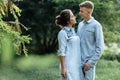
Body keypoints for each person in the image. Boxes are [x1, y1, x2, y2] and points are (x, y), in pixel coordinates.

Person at [77, 1, 104, 80]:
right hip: (78, 63)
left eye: (82, 11)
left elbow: (100, 47)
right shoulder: (80, 25)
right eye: (80, 11)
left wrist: (90, 63)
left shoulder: (96, 25)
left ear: (88, 12)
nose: (79, 13)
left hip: (88, 64)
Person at [56, 9, 82, 80]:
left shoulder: (73, 31)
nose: (75, 17)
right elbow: (62, 52)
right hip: (68, 66)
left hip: (77, 64)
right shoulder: (62, 33)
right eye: (72, 16)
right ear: (68, 21)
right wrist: (63, 68)